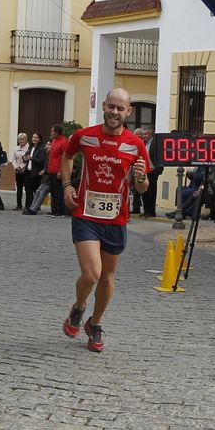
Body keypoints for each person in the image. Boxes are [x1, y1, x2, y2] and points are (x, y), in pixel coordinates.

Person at [59, 89, 149, 353]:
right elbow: (66, 157)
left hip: (116, 218)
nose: (114, 112)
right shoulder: (85, 136)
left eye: (120, 109)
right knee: (92, 273)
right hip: (85, 214)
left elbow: (142, 188)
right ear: (103, 106)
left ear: (128, 112)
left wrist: (141, 177)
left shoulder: (136, 144)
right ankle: (78, 307)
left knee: (107, 277)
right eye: (111, 107)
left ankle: (94, 324)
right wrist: (66, 184)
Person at [45, 123, 69, 217]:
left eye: (52, 131)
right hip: (51, 169)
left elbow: (65, 157)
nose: (51, 133)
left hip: (58, 170)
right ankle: (54, 209)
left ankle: (60, 210)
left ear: (57, 132)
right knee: (53, 191)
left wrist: (61, 171)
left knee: (59, 191)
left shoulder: (63, 142)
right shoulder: (54, 140)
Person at [11, 133, 32, 212]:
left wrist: (23, 167)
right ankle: (19, 205)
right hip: (18, 171)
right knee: (19, 188)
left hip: (26, 171)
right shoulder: (16, 148)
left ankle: (27, 205)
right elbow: (13, 159)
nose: (21, 141)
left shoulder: (29, 148)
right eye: (19, 139)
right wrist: (16, 167)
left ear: (26, 139)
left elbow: (27, 159)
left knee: (27, 188)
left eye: (23, 139)